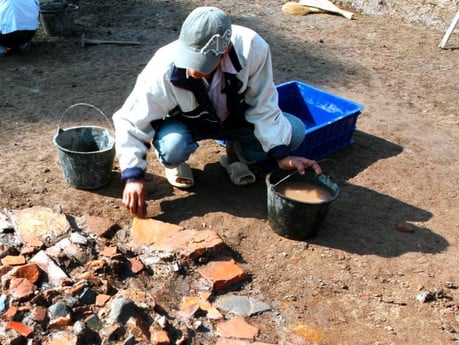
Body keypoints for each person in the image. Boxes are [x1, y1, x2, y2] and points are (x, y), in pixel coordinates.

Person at [113, 6, 323, 217]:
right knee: (172, 148)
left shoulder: (252, 48)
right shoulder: (163, 67)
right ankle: (174, 162)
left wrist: (280, 154)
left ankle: (236, 154)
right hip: (186, 122)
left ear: (226, 52)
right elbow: (131, 120)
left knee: (294, 132)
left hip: (234, 119)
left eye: (204, 64)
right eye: (190, 59)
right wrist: (133, 177)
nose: (193, 70)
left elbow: (263, 104)